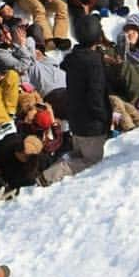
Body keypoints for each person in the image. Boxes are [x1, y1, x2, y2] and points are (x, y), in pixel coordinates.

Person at [39, 15, 112, 185]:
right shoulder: (93, 63)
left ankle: (54, 170)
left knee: (79, 155)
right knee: (91, 161)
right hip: (91, 124)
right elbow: (96, 96)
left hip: (77, 120)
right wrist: (104, 119)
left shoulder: (74, 58)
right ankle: (48, 176)